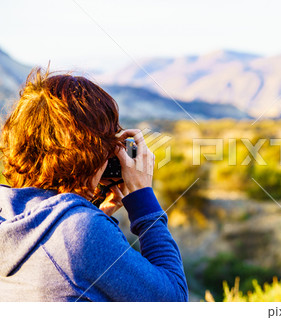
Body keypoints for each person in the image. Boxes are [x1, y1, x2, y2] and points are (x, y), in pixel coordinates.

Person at [0, 68, 188, 301]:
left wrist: (91, 207)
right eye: (109, 140)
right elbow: (173, 299)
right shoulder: (79, 231)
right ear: (90, 150)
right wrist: (142, 198)